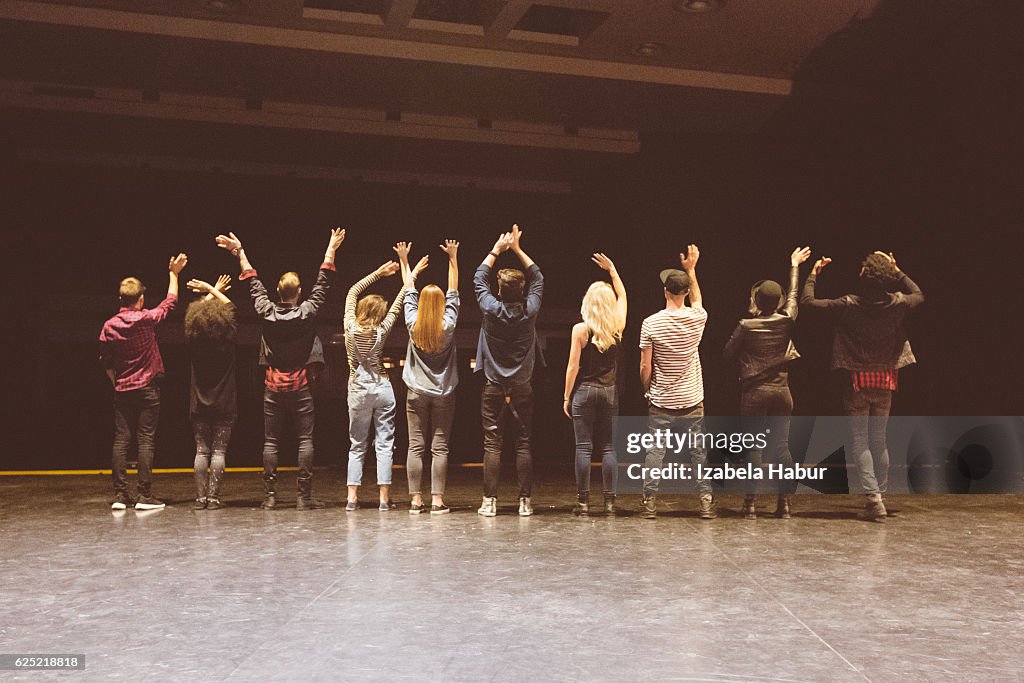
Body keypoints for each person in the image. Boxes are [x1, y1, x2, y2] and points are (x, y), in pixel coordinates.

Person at [216, 228, 345, 510]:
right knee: (305, 441)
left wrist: (240, 252)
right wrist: (331, 248)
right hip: (300, 385)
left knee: (271, 442)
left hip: (273, 386)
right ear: (299, 292)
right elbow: (323, 283)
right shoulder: (308, 310)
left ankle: (271, 497)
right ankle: (303, 497)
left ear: (277, 292)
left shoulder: (266, 311)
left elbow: (252, 281)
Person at [801, 250, 924, 522]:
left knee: (860, 440)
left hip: (858, 382)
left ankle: (874, 498)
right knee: (879, 440)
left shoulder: (849, 304)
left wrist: (812, 274)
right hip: (885, 381)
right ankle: (878, 494)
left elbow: (807, 302)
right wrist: (898, 270)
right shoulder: (898, 303)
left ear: (864, 276)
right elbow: (919, 294)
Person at [723, 247, 811, 520]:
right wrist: (794, 265)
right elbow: (794, 295)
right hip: (782, 392)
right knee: (781, 447)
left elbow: (727, 355)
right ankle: (784, 504)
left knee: (754, 447)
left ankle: (750, 505)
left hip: (754, 393)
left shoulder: (746, 325)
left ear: (756, 300)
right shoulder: (787, 320)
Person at [99, 252, 188, 510]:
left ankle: (119, 496)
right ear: (140, 299)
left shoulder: (108, 326)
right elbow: (170, 302)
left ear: (120, 300)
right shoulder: (146, 320)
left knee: (121, 440)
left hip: (123, 389)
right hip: (148, 388)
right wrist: (174, 274)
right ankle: (144, 496)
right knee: (145, 439)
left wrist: (116, 381)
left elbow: (106, 361)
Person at [474, 224, 544, 517]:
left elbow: (479, 277)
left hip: (493, 387)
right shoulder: (529, 311)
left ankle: (489, 502)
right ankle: (524, 502)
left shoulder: (490, 308)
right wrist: (516, 248)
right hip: (522, 387)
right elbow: (538, 276)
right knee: (523, 443)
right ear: (523, 291)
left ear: (499, 290)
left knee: (493, 443)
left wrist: (497, 250)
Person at [638, 244, 713, 520]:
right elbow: (699, 302)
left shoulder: (651, 323)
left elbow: (645, 365)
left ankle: (649, 503)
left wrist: (647, 389)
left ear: (665, 291)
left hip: (661, 399)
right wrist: (692, 271)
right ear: (686, 293)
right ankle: (705, 502)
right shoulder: (698, 318)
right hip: (692, 397)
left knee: (655, 451)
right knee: (698, 452)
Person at [396, 240, 460, 515]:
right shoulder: (448, 325)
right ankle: (436, 500)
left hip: (416, 391)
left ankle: (415, 500)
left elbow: (408, 290)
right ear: (441, 304)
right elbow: (454, 289)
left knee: (415, 446)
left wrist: (406, 262)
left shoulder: (413, 323)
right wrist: (453, 258)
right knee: (440, 447)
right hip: (444, 392)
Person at [562, 253, 627, 517]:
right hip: (610, 392)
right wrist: (613, 271)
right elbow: (623, 298)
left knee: (583, 447)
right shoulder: (618, 325)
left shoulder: (580, 329)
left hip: (585, 392)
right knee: (609, 447)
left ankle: (583, 503)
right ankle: (610, 503)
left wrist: (566, 396)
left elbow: (572, 367)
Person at [344, 252, 408, 512]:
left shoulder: (349, 326)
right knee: (385, 444)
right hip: (382, 387)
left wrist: (378, 274)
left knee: (357, 445)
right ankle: (383, 499)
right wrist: (408, 268)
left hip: (358, 389)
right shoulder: (383, 329)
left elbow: (351, 291)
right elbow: (403, 297)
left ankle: (352, 498)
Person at [184, 274, 237, 510]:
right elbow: (230, 308)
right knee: (218, 451)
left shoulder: (194, 337)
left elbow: (195, 316)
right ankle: (214, 498)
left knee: (201, 451)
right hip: (225, 403)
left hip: (199, 403)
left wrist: (208, 291)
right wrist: (212, 289)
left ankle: (200, 498)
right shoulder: (227, 337)